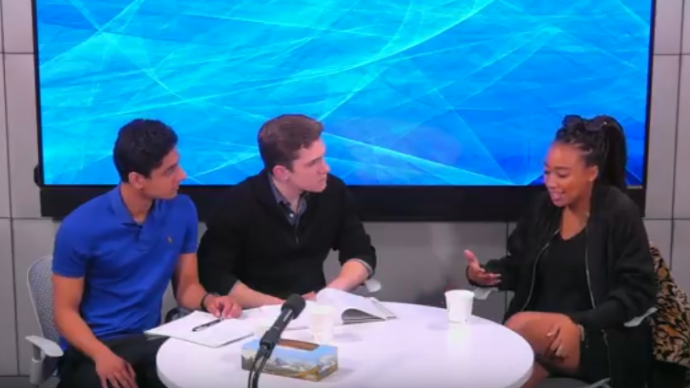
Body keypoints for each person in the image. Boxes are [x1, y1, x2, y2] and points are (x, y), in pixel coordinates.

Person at [466, 115, 656, 388]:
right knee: (499, 379)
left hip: (598, 338)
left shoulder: (619, 212)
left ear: (591, 173)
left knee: (516, 330)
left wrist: (577, 323)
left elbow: (639, 293)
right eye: (546, 172)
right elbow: (519, 266)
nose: (551, 182)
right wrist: (486, 275)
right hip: (543, 339)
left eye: (562, 174)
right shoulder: (543, 209)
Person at [52, 119, 242, 388]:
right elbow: (65, 313)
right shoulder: (79, 227)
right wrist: (101, 355)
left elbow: (187, 287)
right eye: (170, 170)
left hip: (149, 339)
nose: (183, 175)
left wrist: (210, 301)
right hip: (93, 347)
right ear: (137, 179)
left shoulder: (182, 210)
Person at [197, 114, 377, 307]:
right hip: (253, 313)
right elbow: (214, 274)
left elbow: (361, 253)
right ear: (282, 173)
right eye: (312, 163)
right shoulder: (236, 203)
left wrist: (330, 293)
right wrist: (279, 306)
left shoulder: (333, 192)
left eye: (322, 158)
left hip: (314, 311)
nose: (325, 168)